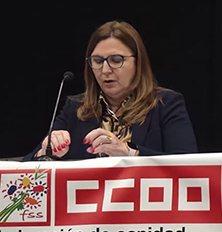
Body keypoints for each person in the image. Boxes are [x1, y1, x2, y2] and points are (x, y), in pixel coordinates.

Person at [25, 21, 197, 160]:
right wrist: (46, 152)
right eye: (98, 61)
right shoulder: (75, 108)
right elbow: (26, 166)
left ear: (138, 63)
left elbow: (189, 165)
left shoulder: (165, 104)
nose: (105, 70)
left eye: (116, 60)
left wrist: (130, 153)